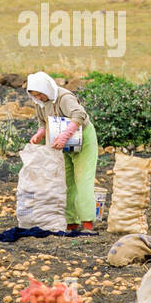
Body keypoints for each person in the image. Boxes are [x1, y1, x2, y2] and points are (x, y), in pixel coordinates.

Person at [26, 70, 98, 234]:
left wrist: (66, 135)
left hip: (82, 138)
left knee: (83, 179)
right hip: (60, 141)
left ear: (46, 89)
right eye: (35, 95)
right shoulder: (40, 103)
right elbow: (43, 122)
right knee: (65, 181)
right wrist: (40, 134)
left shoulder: (64, 97)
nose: (39, 98)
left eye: (40, 94)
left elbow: (79, 114)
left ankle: (87, 223)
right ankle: (71, 222)